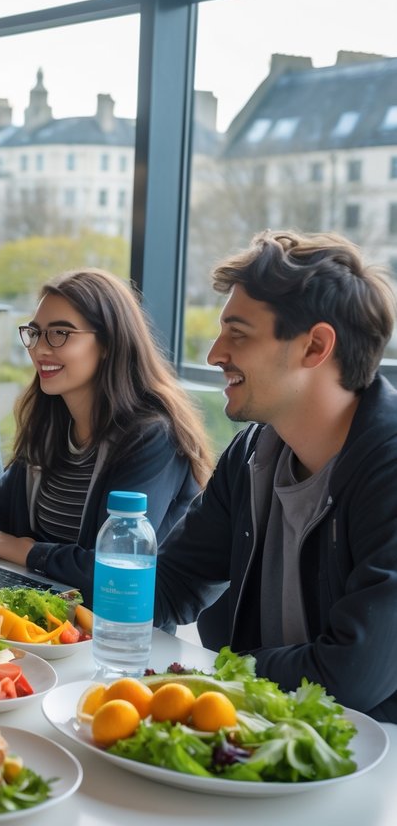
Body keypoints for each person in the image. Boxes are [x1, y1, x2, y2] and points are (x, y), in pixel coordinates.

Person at [154, 231, 397, 722]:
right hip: (256, 732)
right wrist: (46, 608)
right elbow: (172, 583)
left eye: (238, 333)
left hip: (371, 763)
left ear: (315, 347)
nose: (215, 354)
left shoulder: (388, 471)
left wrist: (213, 676)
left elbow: (353, 673)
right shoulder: (252, 453)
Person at [0, 268, 214, 603]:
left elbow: (114, 565)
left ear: (108, 343)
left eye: (60, 334)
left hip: (111, 627)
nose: (40, 350)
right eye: (35, 333)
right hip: (39, 605)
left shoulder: (152, 437)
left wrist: (29, 552)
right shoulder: (49, 419)